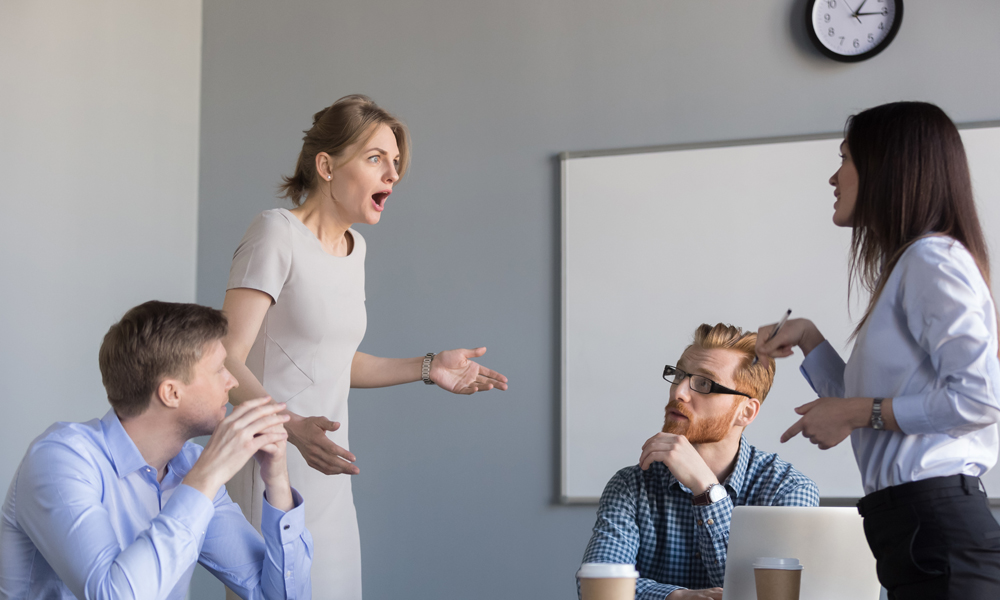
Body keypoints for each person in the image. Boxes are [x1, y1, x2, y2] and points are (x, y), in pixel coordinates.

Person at [221, 94, 508, 598]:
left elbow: (329, 363)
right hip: (271, 467)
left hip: (329, 477)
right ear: (326, 165)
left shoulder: (356, 251)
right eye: (376, 158)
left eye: (396, 163)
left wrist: (428, 367)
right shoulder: (275, 233)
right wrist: (291, 429)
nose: (392, 175)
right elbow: (223, 357)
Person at [755, 101, 1000, 599]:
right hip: (909, 528)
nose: (833, 177)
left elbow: (980, 399)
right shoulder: (912, 265)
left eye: (845, 158)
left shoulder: (931, 260)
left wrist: (855, 411)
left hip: (935, 526)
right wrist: (808, 338)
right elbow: (862, 406)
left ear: (888, 166)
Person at [0, 301, 312, 600]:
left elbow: (281, 595)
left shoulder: (190, 469)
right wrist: (207, 478)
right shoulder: (60, 460)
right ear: (171, 393)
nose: (232, 382)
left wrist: (277, 479)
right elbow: (113, 595)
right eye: (219, 370)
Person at [580, 323, 819, 600]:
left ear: (746, 411)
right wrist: (676, 598)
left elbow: (767, 596)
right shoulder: (631, 485)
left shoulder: (788, 490)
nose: (678, 392)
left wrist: (707, 490)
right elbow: (597, 590)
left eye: (704, 383)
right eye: (679, 375)